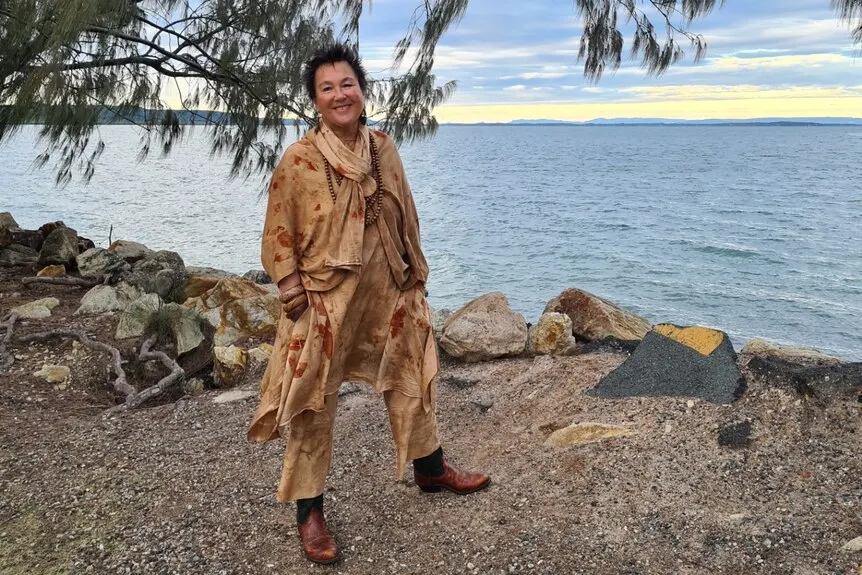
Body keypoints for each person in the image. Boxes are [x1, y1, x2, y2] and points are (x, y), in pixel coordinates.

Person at [246, 42, 490, 565]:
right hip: (326, 299)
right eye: (327, 87)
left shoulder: (383, 147)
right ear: (314, 100)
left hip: (390, 290)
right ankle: (308, 511)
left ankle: (430, 468)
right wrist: (291, 293)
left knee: (410, 374)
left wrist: (415, 277)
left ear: (362, 90)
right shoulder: (300, 159)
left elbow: (406, 215)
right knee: (314, 396)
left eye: (347, 84)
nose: (340, 94)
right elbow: (278, 233)